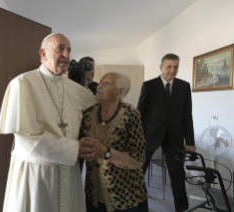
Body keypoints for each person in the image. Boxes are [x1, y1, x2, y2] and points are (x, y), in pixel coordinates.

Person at [0, 34, 97, 212]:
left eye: (69, 50)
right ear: (43, 53)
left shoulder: (76, 89)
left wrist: (122, 105)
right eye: (60, 48)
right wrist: (75, 148)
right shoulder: (22, 83)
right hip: (37, 174)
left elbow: (99, 110)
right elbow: (27, 140)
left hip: (69, 170)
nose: (66, 54)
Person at [79, 72, 148, 212]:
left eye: (107, 83)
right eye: (101, 82)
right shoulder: (87, 114)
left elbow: (138, 160)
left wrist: (107, 153)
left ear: (120, 92)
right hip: (94, 197)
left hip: (127, 199)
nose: (99, 86)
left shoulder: (131, 117)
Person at [137, 54, 196, 212]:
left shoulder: (184, 86)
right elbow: (140, 113)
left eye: (175, 67)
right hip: (149, 135)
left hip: (174, 137)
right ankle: (132, 203)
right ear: (161, 67)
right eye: (169, 66)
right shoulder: (149, 86)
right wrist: (136, 137)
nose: (172, 70)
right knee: (138, 169)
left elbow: (187, 115)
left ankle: (181, 207)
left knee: (177, 174)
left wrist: (190, 141)